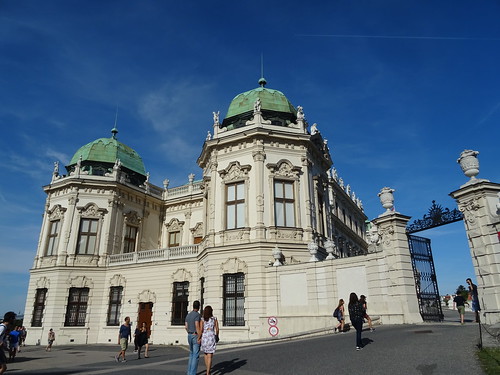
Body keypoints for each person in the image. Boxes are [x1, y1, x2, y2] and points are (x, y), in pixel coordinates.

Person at [199, 305, 219, 375]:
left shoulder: (202, 319)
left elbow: (201, 329)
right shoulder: (214, 319)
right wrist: (217, 336)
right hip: (211, 336)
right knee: (210, 355)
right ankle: (208, 372)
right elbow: (217, 328)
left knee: (205, 354)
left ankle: (207, 368)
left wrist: (199, 337)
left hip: (205, 337)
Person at [185, 300, 201, 375]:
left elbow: (186, 326)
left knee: (191, 354)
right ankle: (193, 373)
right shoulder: (197, 315)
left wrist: (189, 332)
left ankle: (189, 372)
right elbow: (197, 325)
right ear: (199, 307)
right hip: (195, 335)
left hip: (189, 335)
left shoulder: (188, 315)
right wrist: (199, 335)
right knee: (196, 355)